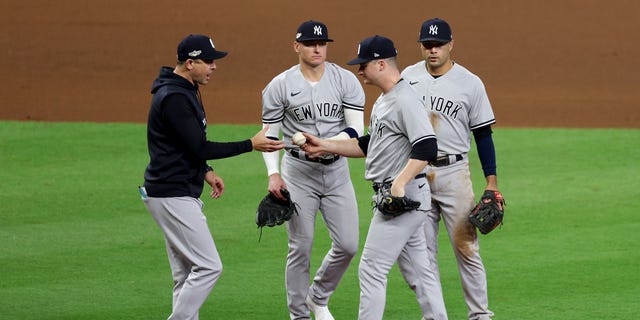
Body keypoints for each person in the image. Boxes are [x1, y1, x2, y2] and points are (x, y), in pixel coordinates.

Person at [301, 35, 447, 320]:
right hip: (402, 195)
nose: (359, 70)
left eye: (363, 65)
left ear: (381, 64)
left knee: (371, 268)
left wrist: (399, 182)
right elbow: (369, 145)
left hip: (403, 198)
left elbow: (427, 146)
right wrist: (325, 144)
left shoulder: (405, 99)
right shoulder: (385, 99)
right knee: (420, 271)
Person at [141, 34, 284, 320]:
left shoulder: (185, 87)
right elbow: (199, 146)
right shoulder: (174, 98)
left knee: (185, 274)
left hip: (172, 190)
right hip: (172, 194)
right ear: (190, 63)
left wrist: (205, 171)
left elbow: (182, 144)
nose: (214, 66)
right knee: (208, 267)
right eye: (208, 61)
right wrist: (250, 144)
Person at [260, 20, 365, 320]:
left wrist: (327, 145)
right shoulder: (279, 86)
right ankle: (299, 316)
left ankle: (317, 296)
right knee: (300, 247)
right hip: (298, 173)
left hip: (336, 172)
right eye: (309, 43)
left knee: (348, 244)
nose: (317, 48)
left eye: (321, 43)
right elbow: (270, 135)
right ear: (297, 46)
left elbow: (356, 129)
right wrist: (273, 174)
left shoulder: (345, 81)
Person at [401, 18, 502, 320]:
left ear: (450, 45)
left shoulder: (470, 83)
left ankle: (480, 315)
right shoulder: (407, 77)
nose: (433, 50)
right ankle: (434, 315)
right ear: (421, 46)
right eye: (427, 45)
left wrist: (491, 183)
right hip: (416, 173)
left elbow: (483, 135)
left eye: (438, 45)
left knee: (466, 247)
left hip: (454, 174)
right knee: (422, 253)